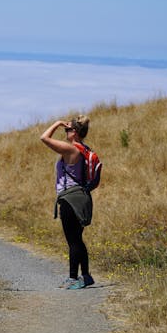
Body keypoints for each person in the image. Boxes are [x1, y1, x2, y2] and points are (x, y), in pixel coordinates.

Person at [40, 115, 95, 290]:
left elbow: (44, 138)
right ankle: (85, 275)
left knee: (72, 241)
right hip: (81, 197)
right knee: (78, 239)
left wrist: (56, 123)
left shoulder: (71, 150)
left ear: (75, 132)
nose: (65, 131)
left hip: (69, 198)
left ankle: (72, 278)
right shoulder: (84, 149)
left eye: (68, 129)